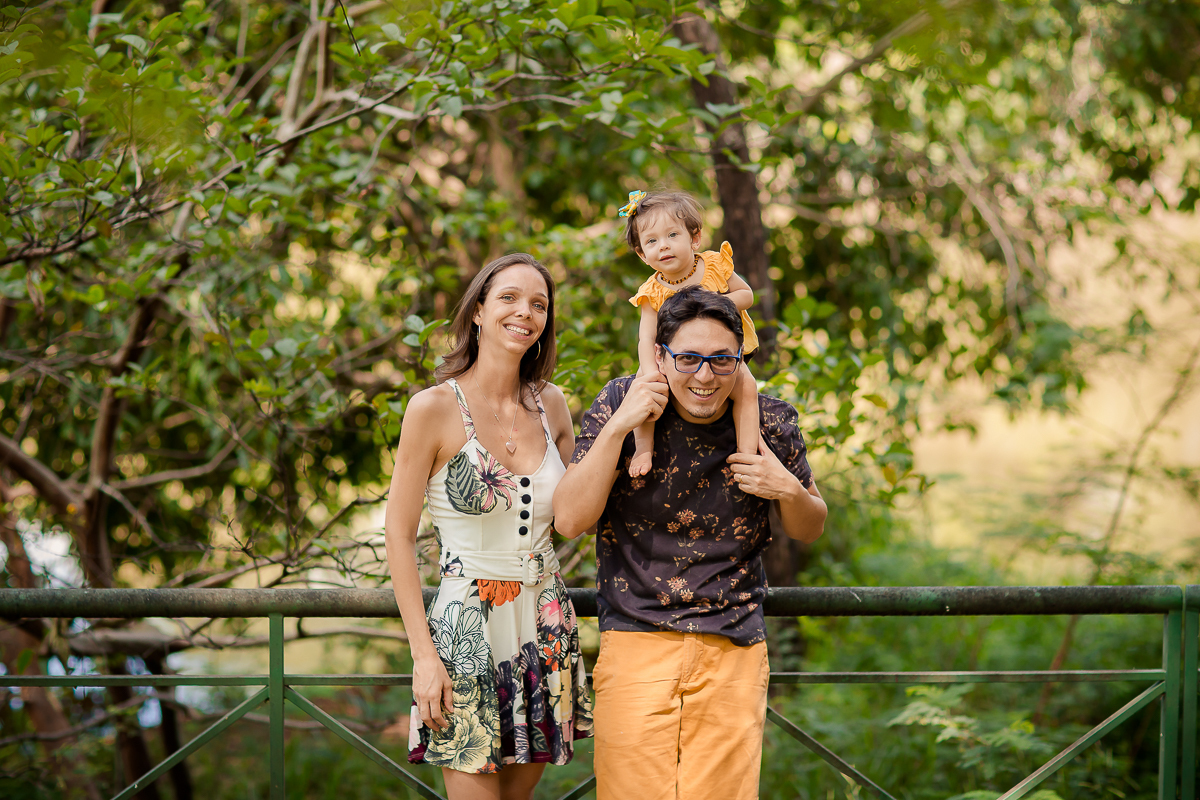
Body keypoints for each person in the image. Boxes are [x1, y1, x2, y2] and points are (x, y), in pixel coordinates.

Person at [553, 286, 827, 800]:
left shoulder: (769, 420)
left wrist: (786, 487)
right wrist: (620, 428)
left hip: (734, 645)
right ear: (659, 355)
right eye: (689, 359)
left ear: (741, 358)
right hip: (636, 638)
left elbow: (809, 525)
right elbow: (569, 519)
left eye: (723, 360)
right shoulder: (620, 402)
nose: (705, 377)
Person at [384, 253, 593, 800]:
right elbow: (398, 536)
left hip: (547, 626)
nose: (525, 312)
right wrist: (424, 657)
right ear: (477, 310)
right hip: (466, 632)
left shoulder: (552, 405)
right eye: (508, 298)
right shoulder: (431, 409)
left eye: (539, 303)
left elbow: (575, 517)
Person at [617, 188, 761, 478]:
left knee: (746, 388)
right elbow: (646, 338)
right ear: (642, 254)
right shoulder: (652, 291)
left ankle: (747, 454)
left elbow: (747, 294)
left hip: (721, 354)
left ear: (694, 237)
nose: (664, 246)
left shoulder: (714, 265)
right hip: (674, 357)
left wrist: (713, 305)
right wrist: (650, 371)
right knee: (645, 391)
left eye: (672, 235)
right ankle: (644, 447)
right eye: (652, 241)